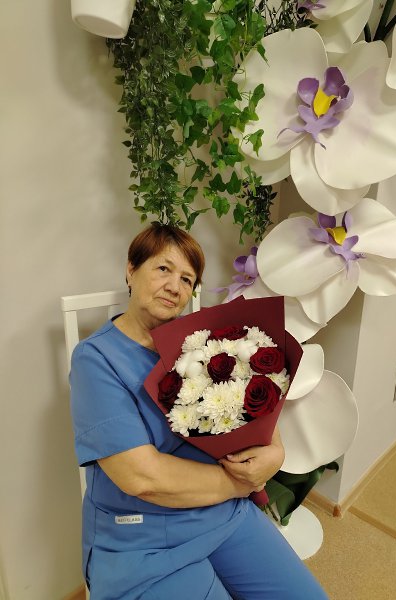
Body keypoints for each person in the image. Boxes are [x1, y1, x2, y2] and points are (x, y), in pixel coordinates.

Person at [70, 222, 328, 600]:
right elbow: (142, 478)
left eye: (187, 279)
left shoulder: (203, 341)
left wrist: (275, 452)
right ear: (131, 269)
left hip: (220, 512)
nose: (175, 286)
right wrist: (240, 484)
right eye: (163, 268)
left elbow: (255, 403)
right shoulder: (96, 359)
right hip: (142, 536)